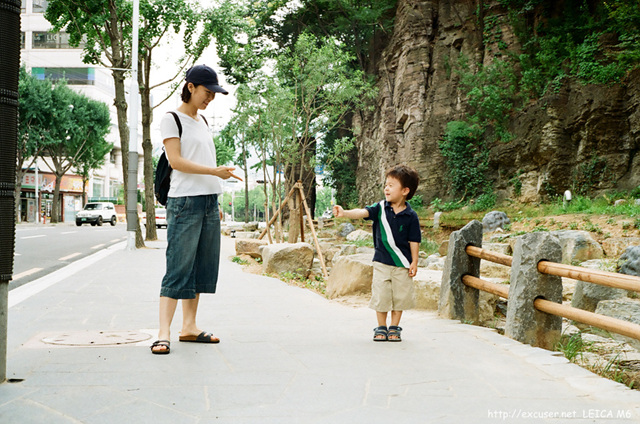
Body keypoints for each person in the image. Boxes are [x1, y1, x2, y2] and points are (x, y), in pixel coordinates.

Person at [151, 65, 242, 355]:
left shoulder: (202, 120)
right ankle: (163, 332)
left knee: (202, 267)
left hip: (208, 202)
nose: (210, 99)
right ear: (190, 87)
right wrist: (216, 171)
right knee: (178, 267)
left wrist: (216, 177)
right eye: (207, 92)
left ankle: (189, 327)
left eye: (213, 94)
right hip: (185, 202)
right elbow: (176, 161)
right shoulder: (171, 119)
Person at [333, 165, 421, 342]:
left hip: (402, 263)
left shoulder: (411, 215)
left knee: (400, 297)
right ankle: (381, 327)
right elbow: (362, 212)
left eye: (391, 185)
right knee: (381, 295)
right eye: (385, 184)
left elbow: (414, 240)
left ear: (405, 190)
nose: (386, 188)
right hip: (381, 261)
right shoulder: (380, 208)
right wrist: (345, 213)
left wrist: (414, 262)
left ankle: (394, 328)